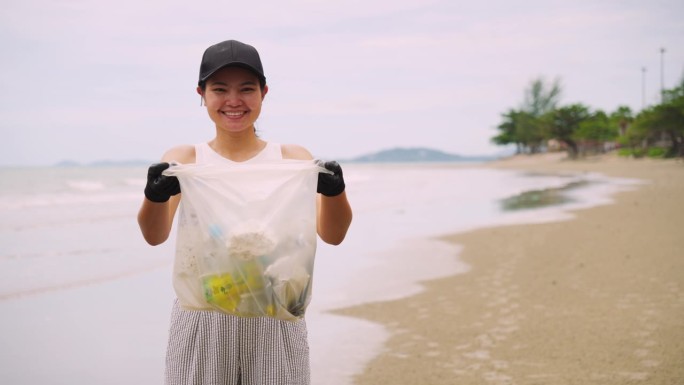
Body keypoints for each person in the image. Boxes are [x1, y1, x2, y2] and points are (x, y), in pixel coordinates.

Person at [137, 39, 352, 385]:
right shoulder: (186, 160)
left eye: (247, 89)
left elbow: (334, 234)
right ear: (201, 93)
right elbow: (154, 235)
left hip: (275, 311)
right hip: (204, 315)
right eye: (220, 89)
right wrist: (154, 196)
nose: (233, 101)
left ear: (264, 93)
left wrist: (335, 193)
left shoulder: (292, 160)